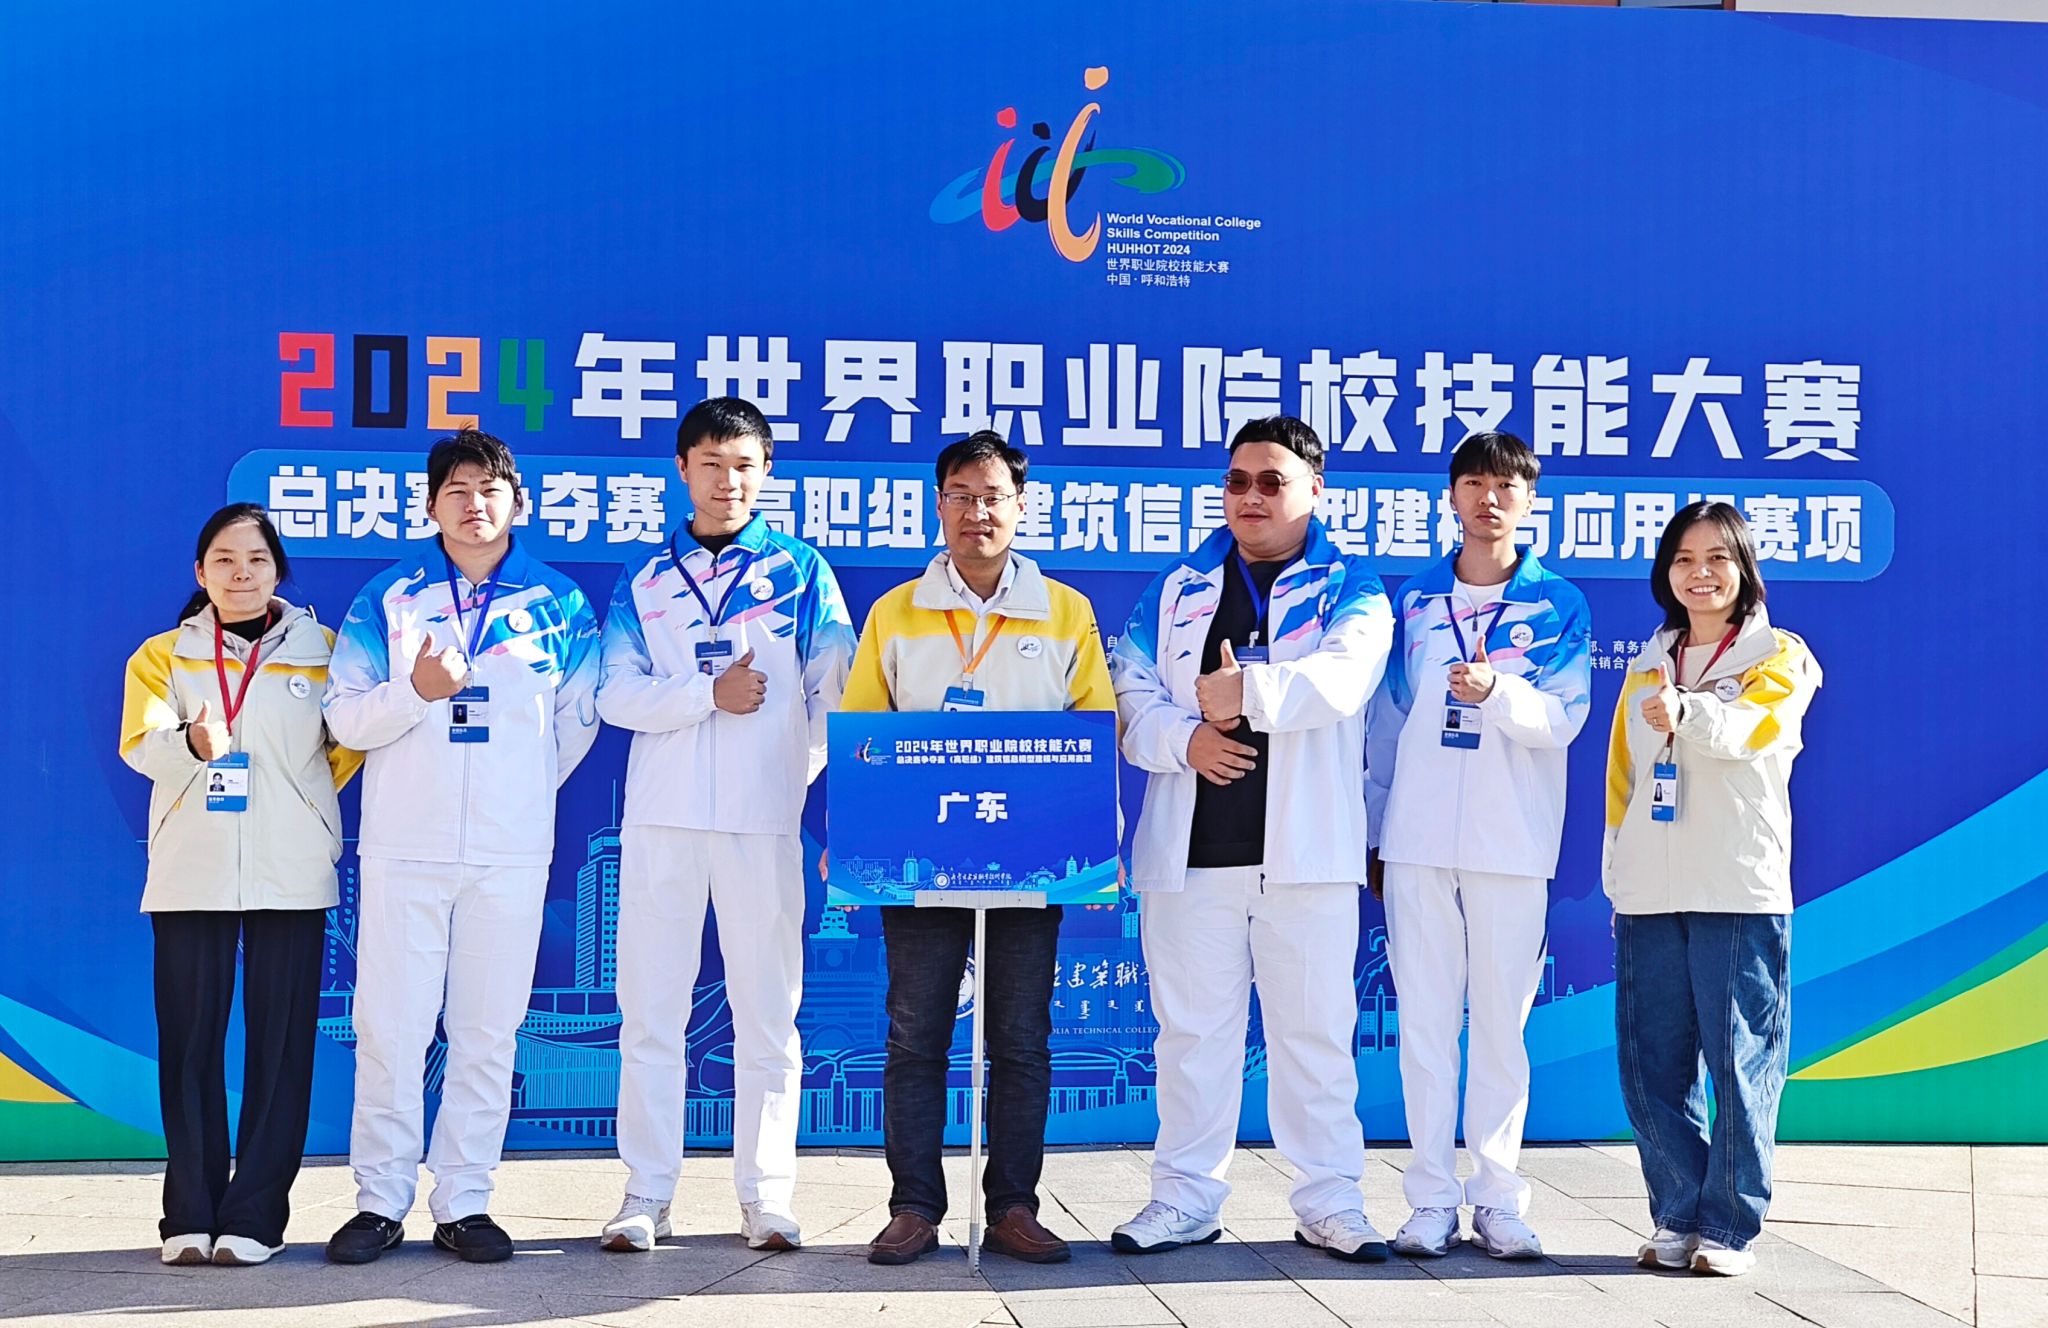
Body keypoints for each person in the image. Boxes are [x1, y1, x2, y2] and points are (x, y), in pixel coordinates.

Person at [1109, 415, 1394, 1262]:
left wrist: (1251, 694)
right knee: (1192, 1036)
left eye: (1273, 481)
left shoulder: (1352, 586)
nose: (1251, 497)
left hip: (1305, 857)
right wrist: (1184, 740)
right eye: (1237, 481)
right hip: (1192, 853)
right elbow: (1128, 690)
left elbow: (1346, 678)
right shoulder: (1177, 588)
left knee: (1314, 1034)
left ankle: (1330, 1201)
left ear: (1315, 490)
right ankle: (1184, 1198)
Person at [321, 428, 601, 1265]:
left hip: (511, 852)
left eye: (489, 488)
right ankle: (379, 1201)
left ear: (519, 501)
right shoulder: (389, 598)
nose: (474, 503)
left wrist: (516, 790)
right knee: (391, 1029)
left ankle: (466, 1200)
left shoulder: (560, 603)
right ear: (431, 504)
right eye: (457, 489)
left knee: (488, 1030)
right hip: (405, 844)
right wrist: (414, 692)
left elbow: (575, 727)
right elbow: (346, 718)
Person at [841, 431, 1114, 1266]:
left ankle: (1015, 1206)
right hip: (921, 856)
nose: (977, 512)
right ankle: (914, 1207)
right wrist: (854, 835)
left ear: (1022, 507)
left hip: (1030, 856)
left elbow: (1096, 729)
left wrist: (1091, 837)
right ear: (939, 505)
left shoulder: (1065, 609)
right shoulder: (897, 611)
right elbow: (864, 734)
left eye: (993, 496)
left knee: (1021, 1037)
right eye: (960, 495)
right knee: (915, 1035)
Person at [595, 398, 856, 1253]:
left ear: (767, 472)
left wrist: (785, 775)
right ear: (682, 470)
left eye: (744, 465)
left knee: (767, 1015)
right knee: (651, 1013)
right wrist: (704, 695)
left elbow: (836, 694)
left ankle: (766, 1195)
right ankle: (647, 1192)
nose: (727, 481)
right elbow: (613, 694)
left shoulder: (803, 572)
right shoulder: (645, 578)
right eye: (710, 463)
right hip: (662, 822)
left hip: (762, 823)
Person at [1363, 432, 1592, 1260]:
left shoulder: (1559, 604)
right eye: (1473, 483)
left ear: (1529, 499)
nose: (1489, 499)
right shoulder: (1414, 602)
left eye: (1506, 485)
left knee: (1500, 1028)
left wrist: (1499, 693)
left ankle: (1498, 1198)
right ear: (1451, 496)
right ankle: (1429, 1198)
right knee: (1425, 1025)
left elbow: (1564, 719)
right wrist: (1375, 831)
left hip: (1511, 843)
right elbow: (1384, 726)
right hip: (1417, 840)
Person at [120, 503, 362, 1268]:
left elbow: (344, 749)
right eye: (224, 560)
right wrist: (194, 743)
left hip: (291, 871)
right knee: (189, 1044)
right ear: (201, 573)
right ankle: (188, 1214)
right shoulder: (163, 655)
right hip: (191, 870)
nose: (241, 574)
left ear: (278, 571)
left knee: (280, 1047)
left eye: (257, 560)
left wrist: (299, 809)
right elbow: (140, 745)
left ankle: (256, 1215)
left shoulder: (324, 652)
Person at [1606, 501, 1820, 1277]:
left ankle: (1730, 1227)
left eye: (1717, 558)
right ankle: (1677, 1212)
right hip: (1651, 890)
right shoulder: (1647, 662)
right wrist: (1618, 871)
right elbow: (1624, 780)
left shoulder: (1780, 656)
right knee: (1652, 1062)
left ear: (1744, 569)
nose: (1700, 574)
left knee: (1740, 1060)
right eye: (1684, 559)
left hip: (1737, 884)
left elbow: (1753, 731)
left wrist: (1688, 711)